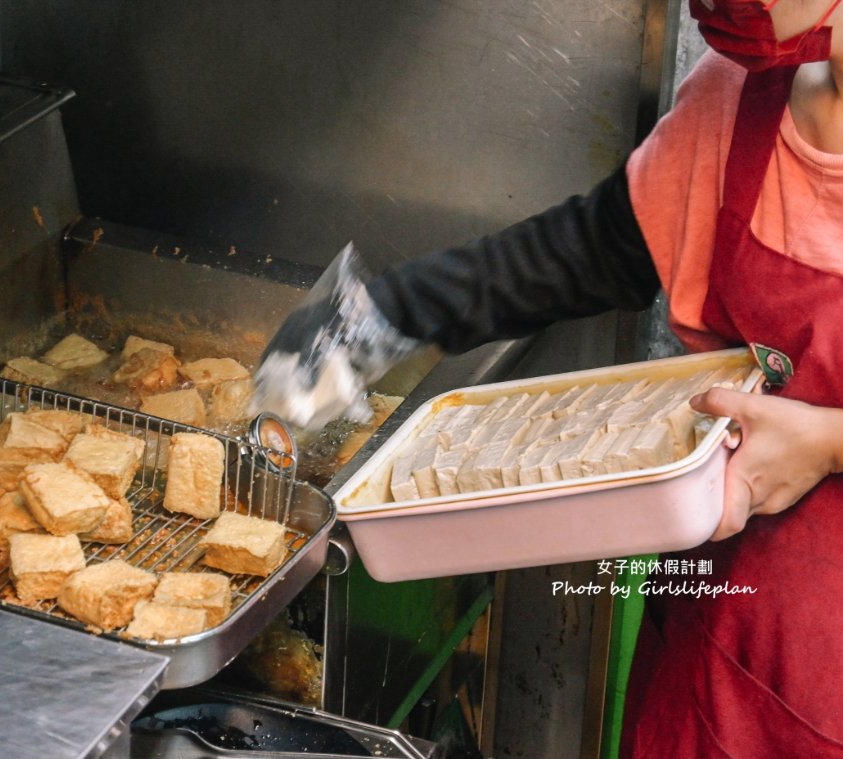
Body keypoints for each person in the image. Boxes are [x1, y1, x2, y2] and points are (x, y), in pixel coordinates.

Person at [253, 0, 843, 754]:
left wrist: (826, 442)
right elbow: (594, 251)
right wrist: (385, 313)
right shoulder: (740, 102)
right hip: (716, 644)